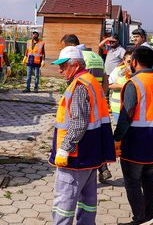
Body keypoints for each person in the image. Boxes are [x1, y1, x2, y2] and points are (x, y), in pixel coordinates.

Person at [49, 46, 115, 225]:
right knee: (88, 200)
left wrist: (64, 149)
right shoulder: (91, 81)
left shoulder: (79, 86)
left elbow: (79, 123)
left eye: (63, 65)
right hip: (91, 153)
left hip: (76, 156)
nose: (59, 69)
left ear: (75, 65)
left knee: (64, 201)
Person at [114, 46, 153, 224]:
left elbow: (127, 115)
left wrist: (116, 138)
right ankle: (150, 213)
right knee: (148, 176)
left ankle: (139, 218)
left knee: (132, 181)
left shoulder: (135, 83)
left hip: (136, 140)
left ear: (135, 62)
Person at [58, 34, 112, 183]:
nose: (60, 70)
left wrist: (64, 148)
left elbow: (79, 119)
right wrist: (102, 97)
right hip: (97, 103)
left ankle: (102, 168)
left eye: (64, 48)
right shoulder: (96, 56)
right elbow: (105, 79)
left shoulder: (80, 61)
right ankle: (103, 168)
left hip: (80, 142)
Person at [108, 50, 133, 122]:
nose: (130, 64)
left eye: (132, 61)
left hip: (133, 108)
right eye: (128, 61)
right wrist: (124, 86)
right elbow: (109, 85)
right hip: (118, 108)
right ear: (124, 61)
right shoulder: (118, 70)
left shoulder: (137, 71)